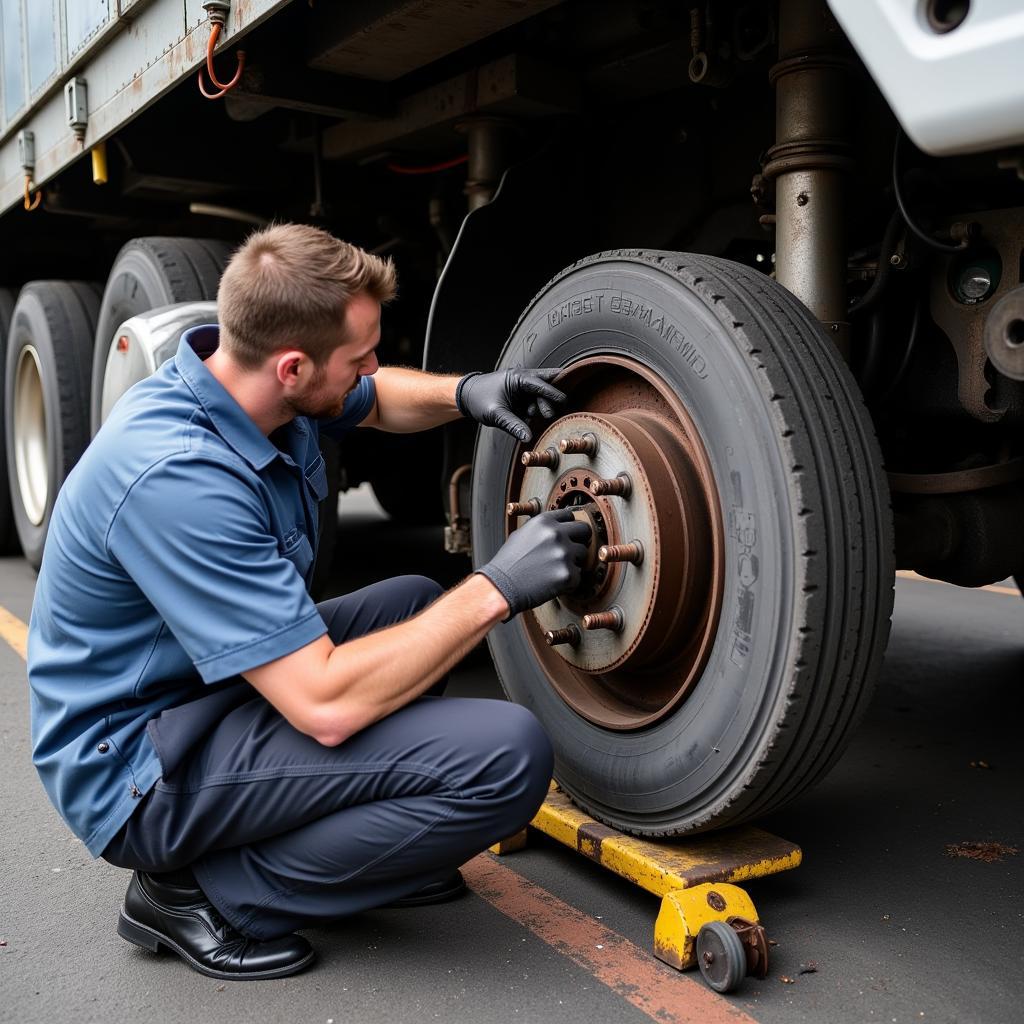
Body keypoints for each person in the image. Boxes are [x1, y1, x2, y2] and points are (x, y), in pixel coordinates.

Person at [27, 223, 591, 981]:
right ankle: (207, 892)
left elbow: (374, 400)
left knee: (413, 605)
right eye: (358, 356)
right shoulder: (179, 479)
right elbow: (324, 703)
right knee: (506, 758)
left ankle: (357, 857)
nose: (371, 369)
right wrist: (498, 586)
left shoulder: (251, 385)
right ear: (292, 367)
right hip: (137, 769)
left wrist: (467, 394)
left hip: (200, 693)